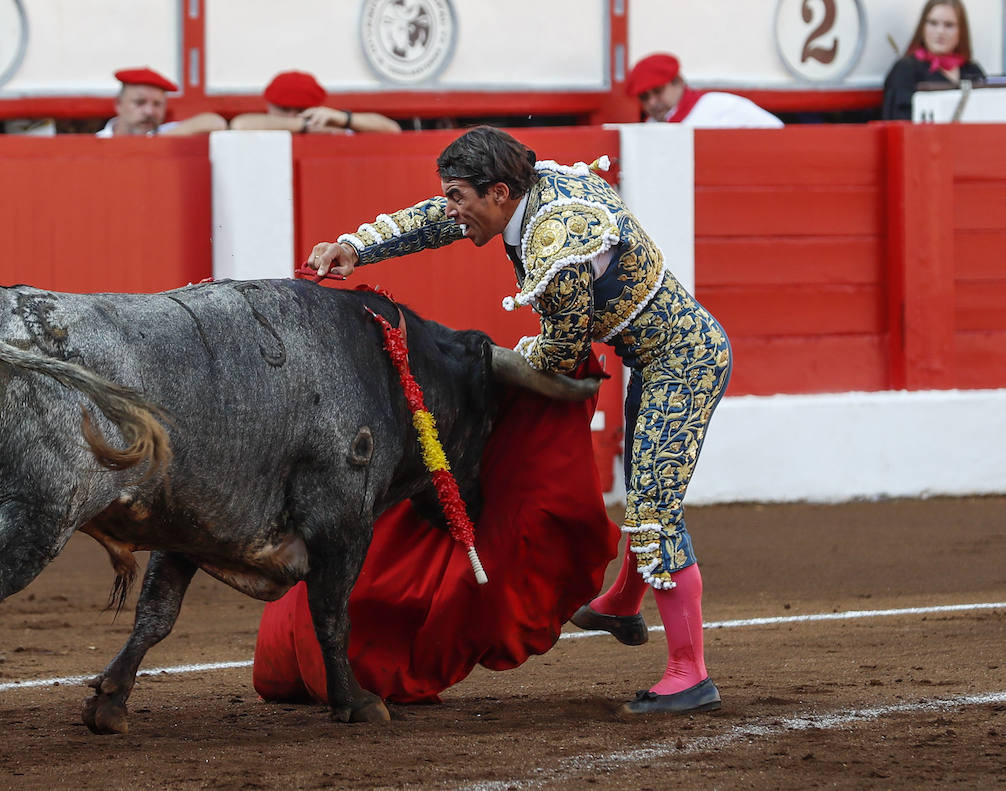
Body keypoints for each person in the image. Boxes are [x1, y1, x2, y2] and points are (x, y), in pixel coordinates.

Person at [309, 126, 732, 715]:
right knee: (648, 492)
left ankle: (690, 674)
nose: (454, 210)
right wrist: (357, 248)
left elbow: (561, 352)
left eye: (461, 196)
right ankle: (622, 604)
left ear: (500, 192)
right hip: (656, 358)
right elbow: (438, 218)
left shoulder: (557, 241)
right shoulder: (529, 195)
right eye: (452, 194)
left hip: (684, 363)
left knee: (654, 510)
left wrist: (486, 362)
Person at [882, 0, 987, 121]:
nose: (940, 31)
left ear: (961, 31)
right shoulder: (905, 69)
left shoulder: (972, 69)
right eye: (933, 23)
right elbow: (897, 122)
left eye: (949, 25)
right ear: (922, 27)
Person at [626, 53, 783, 128]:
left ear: (678, 82)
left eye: (658, 91)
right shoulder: (650, 126)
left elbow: (776, 130)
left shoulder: (721, 106)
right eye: (644, 97)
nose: (652, 102)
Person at [229, 71, 400, 134]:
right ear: (269, 105)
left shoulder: (329, 125)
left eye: (300, 109)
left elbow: (392, 129)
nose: (292, 115)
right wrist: (303, 125)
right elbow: (239, 125)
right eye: (284, 108)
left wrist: (342, 118)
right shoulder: (262, 126)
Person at [96, 67, 226, 137]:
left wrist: (157, 141)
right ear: (119, 104)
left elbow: (215, 123)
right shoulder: (95, 142)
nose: (149, 111)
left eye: (157, 104)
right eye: (139, 102)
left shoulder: (167, 133)